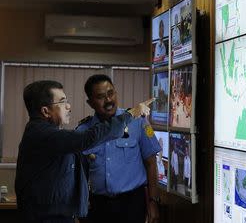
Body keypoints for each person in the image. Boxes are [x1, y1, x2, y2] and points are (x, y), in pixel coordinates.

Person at [15, 80, 150, 223]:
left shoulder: (45, 132)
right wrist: (131, 114)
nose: (68, 106)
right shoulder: (42, 134)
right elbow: (87, 138)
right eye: (62, 102)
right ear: (45, 111)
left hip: (126, 205)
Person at [76, 74, 161, 223]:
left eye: (110, 93)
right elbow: (80, 173)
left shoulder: (137, 122)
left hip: (132, 204)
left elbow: (151, 163)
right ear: (90, 103)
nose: (108, 100)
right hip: (98, 206)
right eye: (101, 97)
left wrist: (153, 201)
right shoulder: (83, 132)